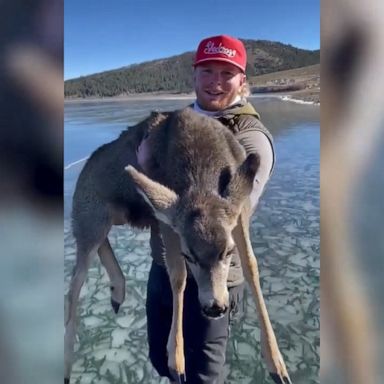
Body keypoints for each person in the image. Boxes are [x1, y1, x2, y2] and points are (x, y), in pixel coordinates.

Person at [143, 35, 275, 384]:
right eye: (208, 71)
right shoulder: (174, 125)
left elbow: (232, 212)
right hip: (165, 269)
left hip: (214, 279)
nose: (216, 81)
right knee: (162, 359)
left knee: (202, 377)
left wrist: (148, 169)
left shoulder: (251, 137)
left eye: (227, 73)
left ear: (242, 81)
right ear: (194, 76)